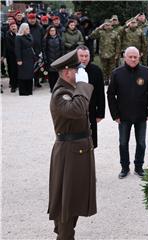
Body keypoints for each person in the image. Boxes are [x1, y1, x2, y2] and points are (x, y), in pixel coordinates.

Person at [48, 49, 97, 239]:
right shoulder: (61, 94)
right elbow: (77, 110)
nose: (78, 74)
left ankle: (66, 233)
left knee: (73, 197)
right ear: (67, 72)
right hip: (69, 152)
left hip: (78, 150)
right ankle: (64, 235)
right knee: (66, 200)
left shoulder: (70, 90)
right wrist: (83, 85)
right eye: (76, 71)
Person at [107, 47, 148, 179]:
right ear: (125, 57)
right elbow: (111, 95)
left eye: (135, 57)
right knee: (123, 143)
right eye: (130, 57)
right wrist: (115, 115)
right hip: (123, 116)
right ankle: (124, 168)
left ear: (139, 57)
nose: (133, 59)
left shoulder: (146, 72)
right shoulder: (117, 73)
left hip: (141, 115)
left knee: (141, 143)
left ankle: (139, 167)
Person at [77, 45, 105, 148]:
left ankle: (90, 162)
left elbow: (100, 93)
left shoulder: (96, 70)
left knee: (91, 140)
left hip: (91, 109)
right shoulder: (71, 70)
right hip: (75, 109)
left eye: (86, 56)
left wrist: (100, 113)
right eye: (81, 56)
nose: (84, 59)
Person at [15, 23, 35, 96]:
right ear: (23, 29)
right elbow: (17, 49)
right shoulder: (18, 37)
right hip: (23, 58)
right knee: (23, 75)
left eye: (28, 28)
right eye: (27, 28)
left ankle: (29, 90)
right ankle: (23, 91)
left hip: (30, 58)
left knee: (29, 74)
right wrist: (19, 59)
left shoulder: (30, 36)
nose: (28, 30)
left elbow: (32, 45)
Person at [42, 25, 64, 92]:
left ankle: (58, 88)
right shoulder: (46, 39)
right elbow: (44, 50)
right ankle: (52, 88)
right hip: (50, 59)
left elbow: (62, 49)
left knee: (58, 74)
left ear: (56, 31)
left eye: (53, 30)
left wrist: (62, 58)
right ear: (48, 31)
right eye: (51, 31)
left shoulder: (59, 39)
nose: (52, 32)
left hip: (58, 59)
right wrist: (45, 59)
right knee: (51, 75)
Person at [5, 22, 18, 93]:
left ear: (17, 27)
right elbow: (9, 47)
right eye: (12, 26)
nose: (13, 27)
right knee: (12, 71)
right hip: (11, 56)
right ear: (10, 28)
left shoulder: (19, 34)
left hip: (19, 56)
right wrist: (16, 51)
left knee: (18, 70)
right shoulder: (8, 35)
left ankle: (18, 83)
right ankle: (13, 86)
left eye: (14, 26)